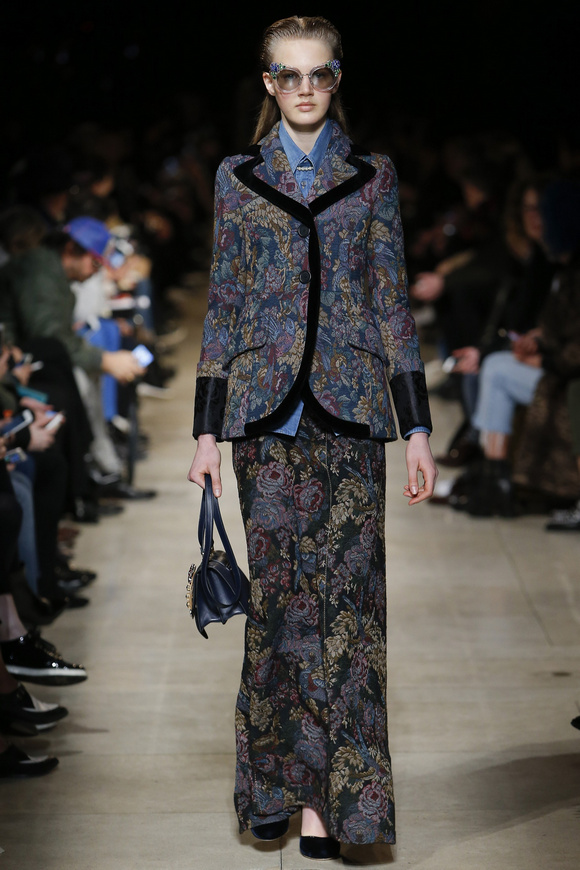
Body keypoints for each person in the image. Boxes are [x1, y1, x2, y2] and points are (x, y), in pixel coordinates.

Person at [187, 15, 436, 860]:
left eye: (318, 74)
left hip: (353, 409)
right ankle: (277, 792)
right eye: (288, 75)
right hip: (262, 415)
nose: (304, 88)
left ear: (336, 79)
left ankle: (343, 812)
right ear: (268, 82)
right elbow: (224, 299)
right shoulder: (237, 177)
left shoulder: (371, 176)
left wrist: (417, 426)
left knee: (353, 617)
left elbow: (392, 298)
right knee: (279, 611)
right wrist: (206, 432)